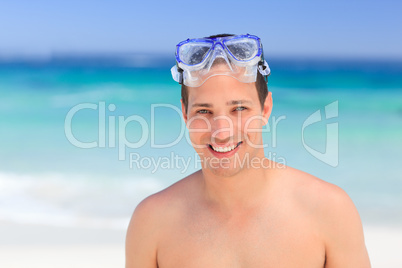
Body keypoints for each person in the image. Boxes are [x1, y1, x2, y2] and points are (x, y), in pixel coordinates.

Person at [125, 34, 371, 268]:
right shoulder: (151, 223)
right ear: (185, 114)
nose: (222, 131)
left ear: (265, 109)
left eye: (239, 109)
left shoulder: (329, 211)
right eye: (204, 111)